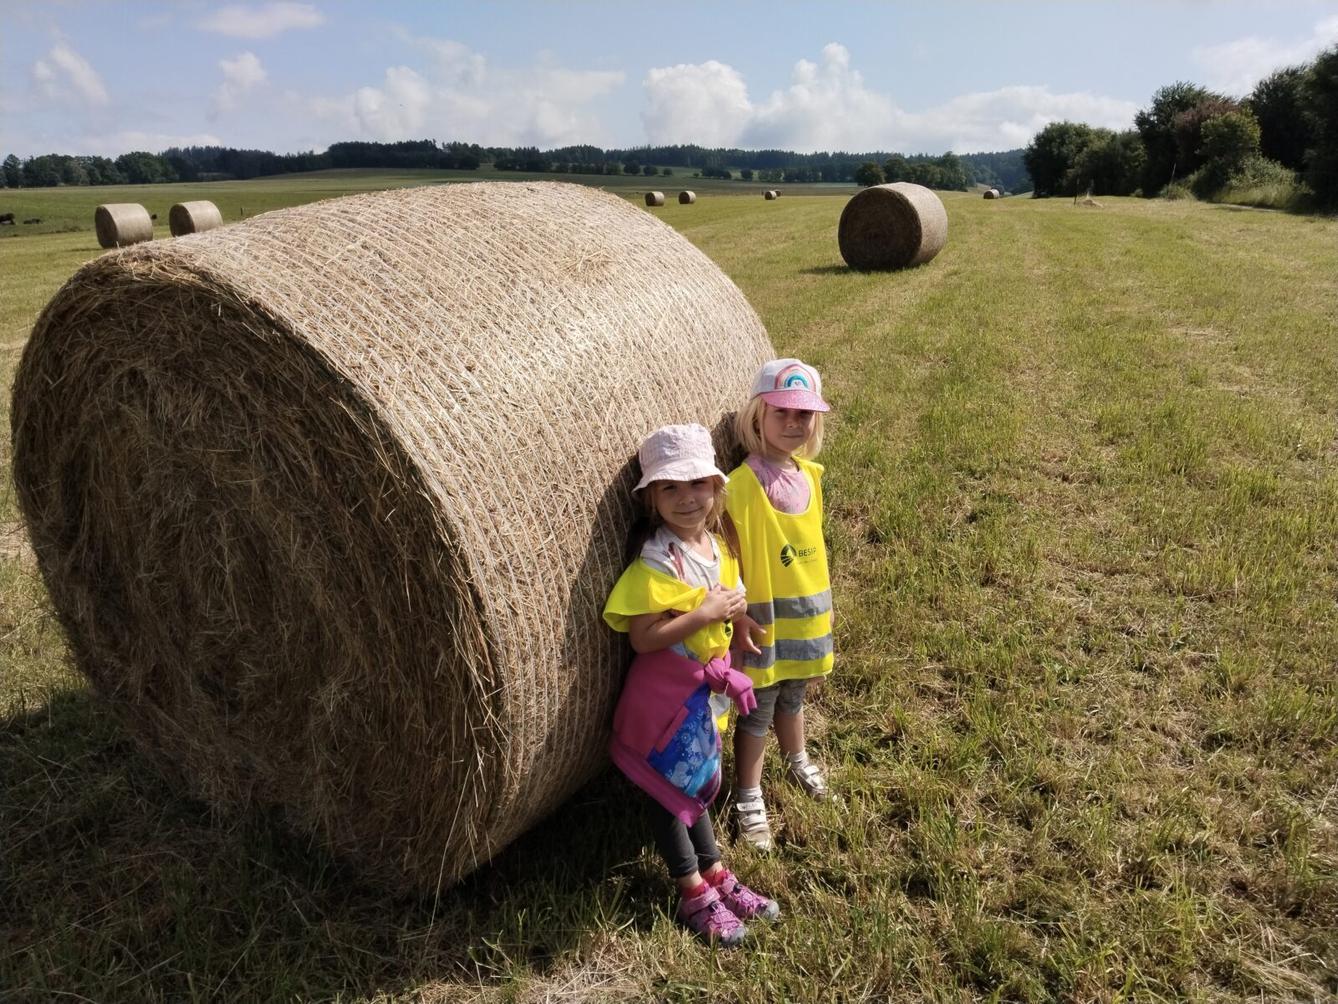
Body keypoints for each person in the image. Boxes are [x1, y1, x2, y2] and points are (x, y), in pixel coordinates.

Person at [605, 423, 780, 946]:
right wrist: (703, 614)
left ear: (716, 488)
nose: (687, 498)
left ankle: (716, 872)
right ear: (652, 499)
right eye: (670, 488)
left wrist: (738, 622)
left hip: (697, 699)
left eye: (697, 484)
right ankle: (691, 891)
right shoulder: (658, 561)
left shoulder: (715, 546)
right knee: (668, 795)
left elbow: (729, 595)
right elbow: (643, 638)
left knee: (694, 784)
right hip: (663, 705)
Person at [726, 359, 834, 851]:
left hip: (806, 617)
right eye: (781, 412)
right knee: (758, 709)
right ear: (757, 416)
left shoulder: (811, 476)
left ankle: (796, 759)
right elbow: (727, 556)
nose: (793, 423)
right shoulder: (741, 485)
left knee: (794, 696)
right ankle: (748, 794)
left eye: (804, 415)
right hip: (762, 624)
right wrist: (737, 614)